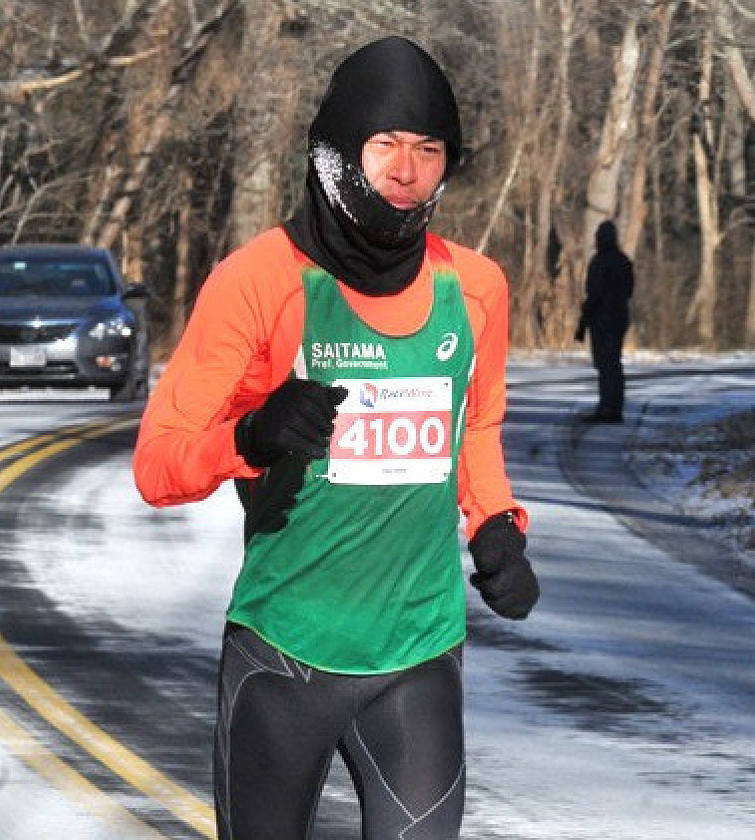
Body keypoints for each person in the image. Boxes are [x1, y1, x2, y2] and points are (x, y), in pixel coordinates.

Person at [133, 35, 539, 840]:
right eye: (384, 144)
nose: (406, 170)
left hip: (419, 650)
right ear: (336, 153)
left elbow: (477, 424)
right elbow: (157, 465)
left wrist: (495, 522)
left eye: (429, 150)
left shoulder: (476, 287)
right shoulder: (259, 282)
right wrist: (252, 435)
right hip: (287, 652)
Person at [575, 219, 634, 422]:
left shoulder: (600, 262)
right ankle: (613, 408)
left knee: (606, 365)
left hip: (603, 318)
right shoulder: (623, 261)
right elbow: (629, 290)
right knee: (613, 364)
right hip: (618, 317)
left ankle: (608, 410)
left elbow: (595, 293)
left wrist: (585, 317)